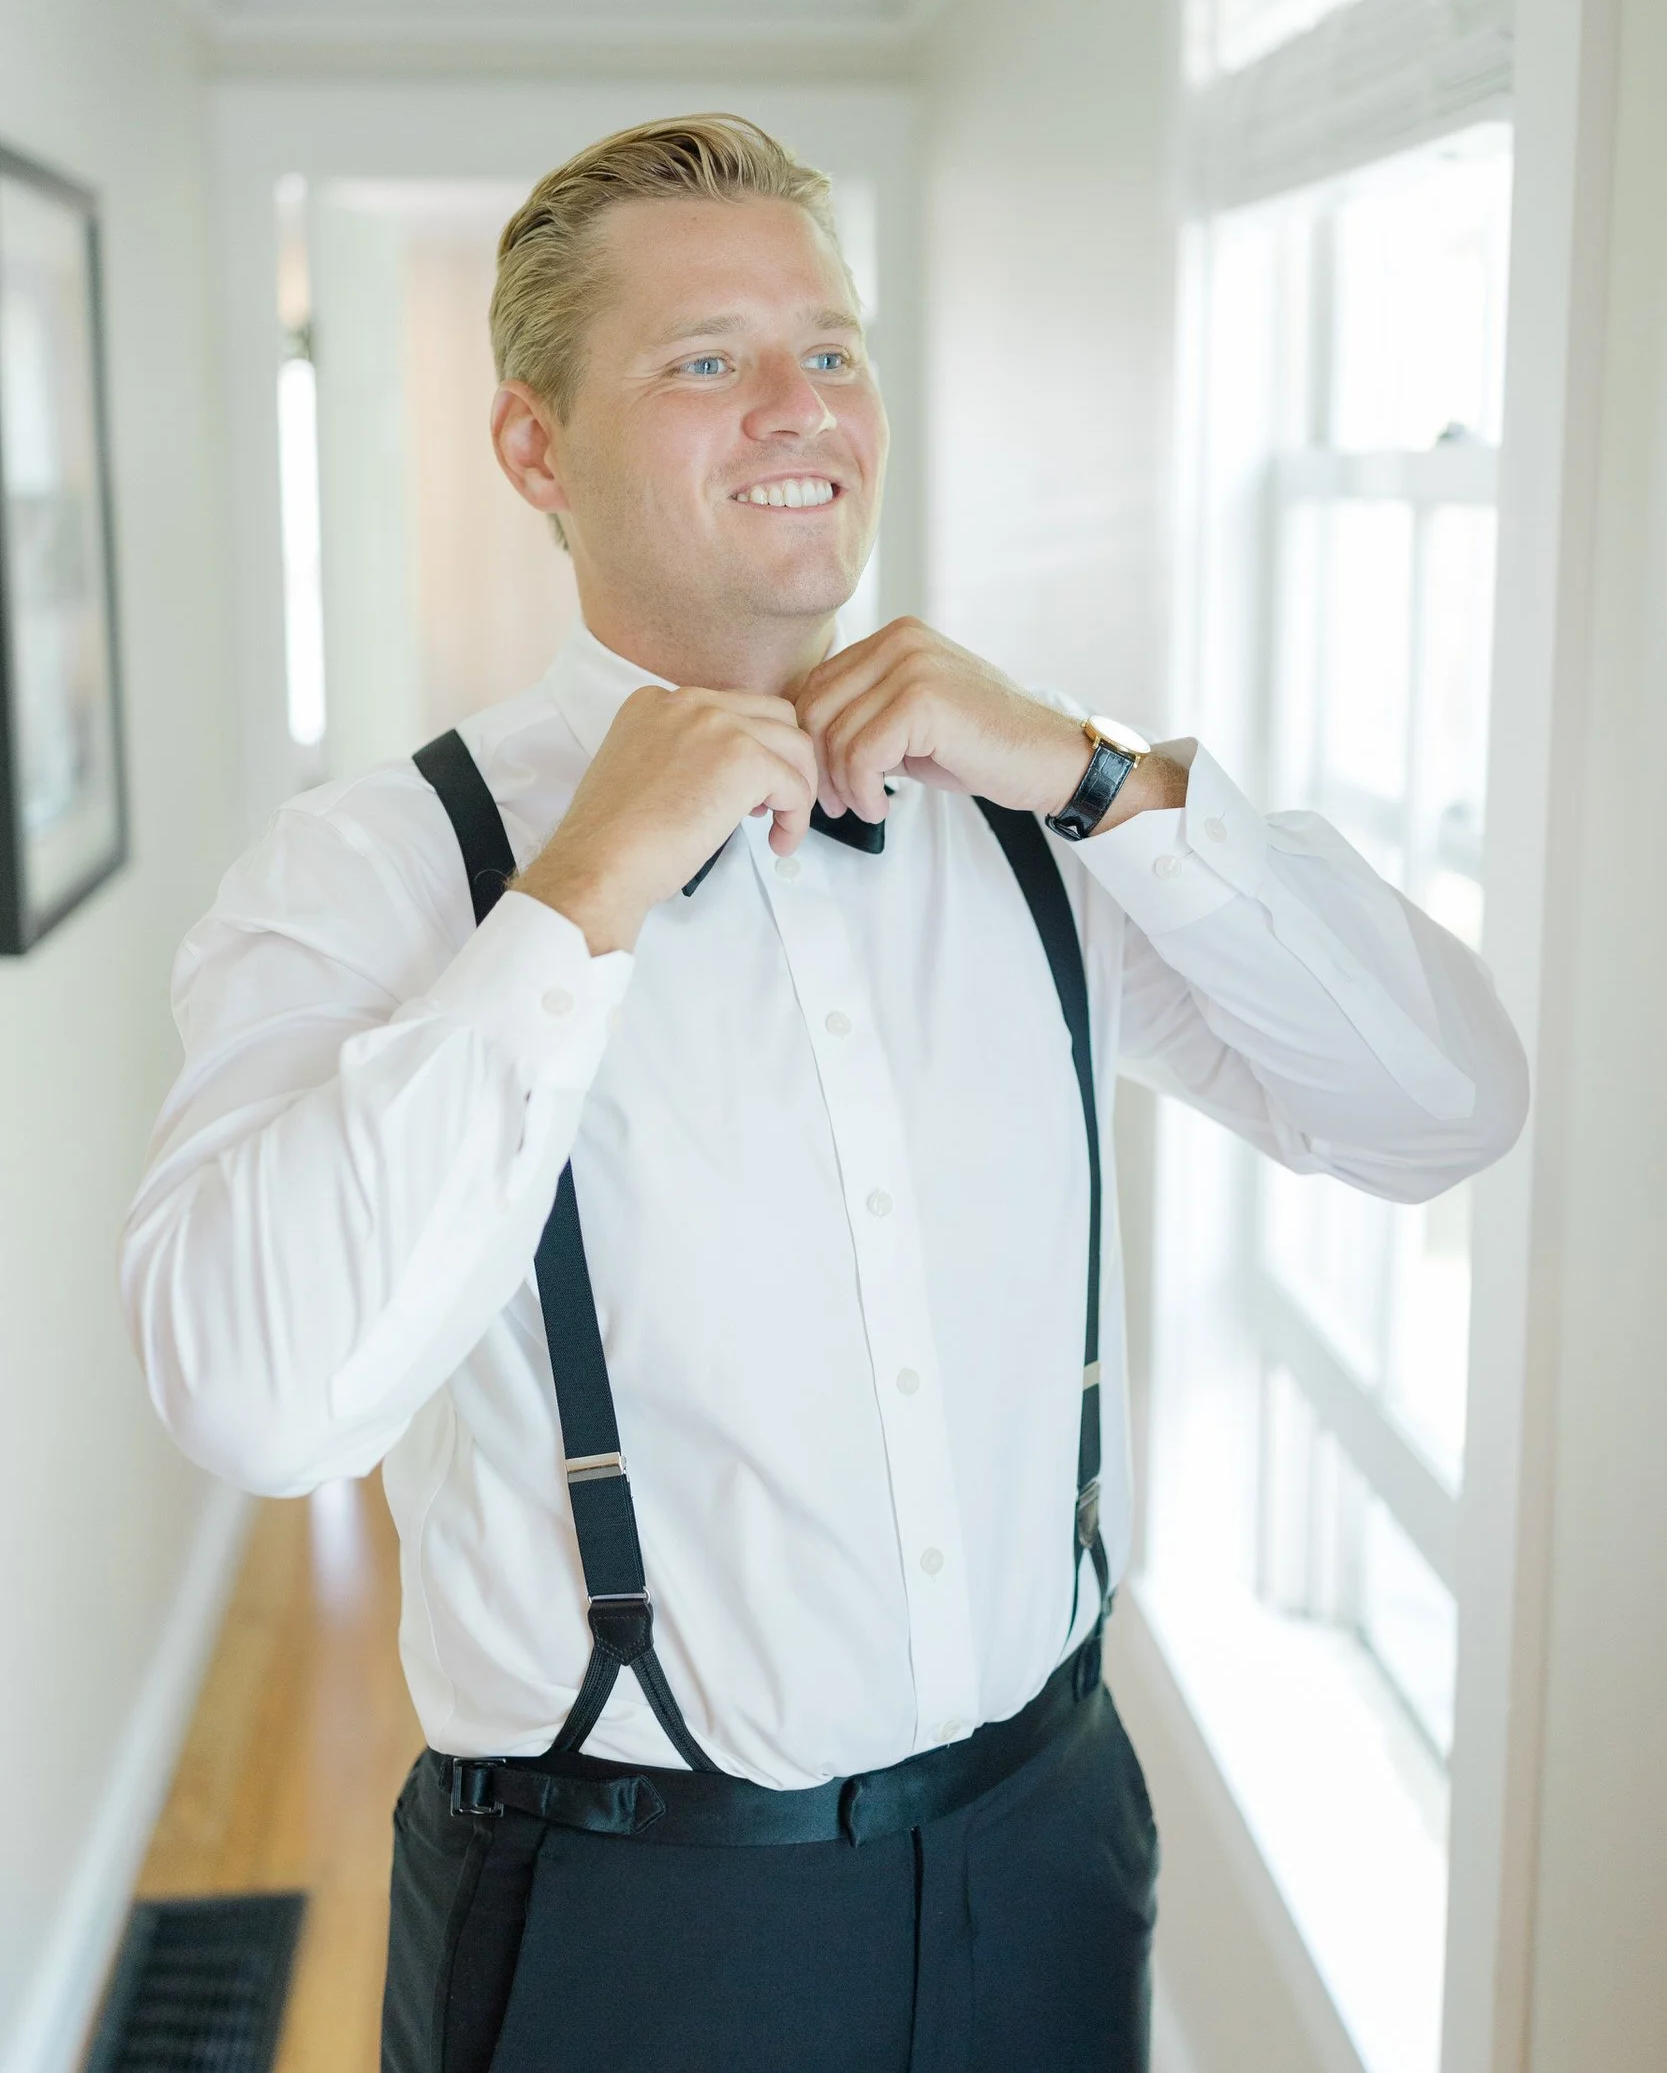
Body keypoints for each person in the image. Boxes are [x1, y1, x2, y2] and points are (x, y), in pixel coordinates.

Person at [121, 115, 1528, 2073]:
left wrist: (1105, 771)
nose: (797, 404)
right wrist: (583, 887)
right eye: (703, 358)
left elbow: (1440, 1105)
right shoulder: (376, 868)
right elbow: (257, 1396)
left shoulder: (1046, 824)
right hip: (625, 1920)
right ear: (535, 447)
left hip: (1047, 1844)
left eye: (832, 345)